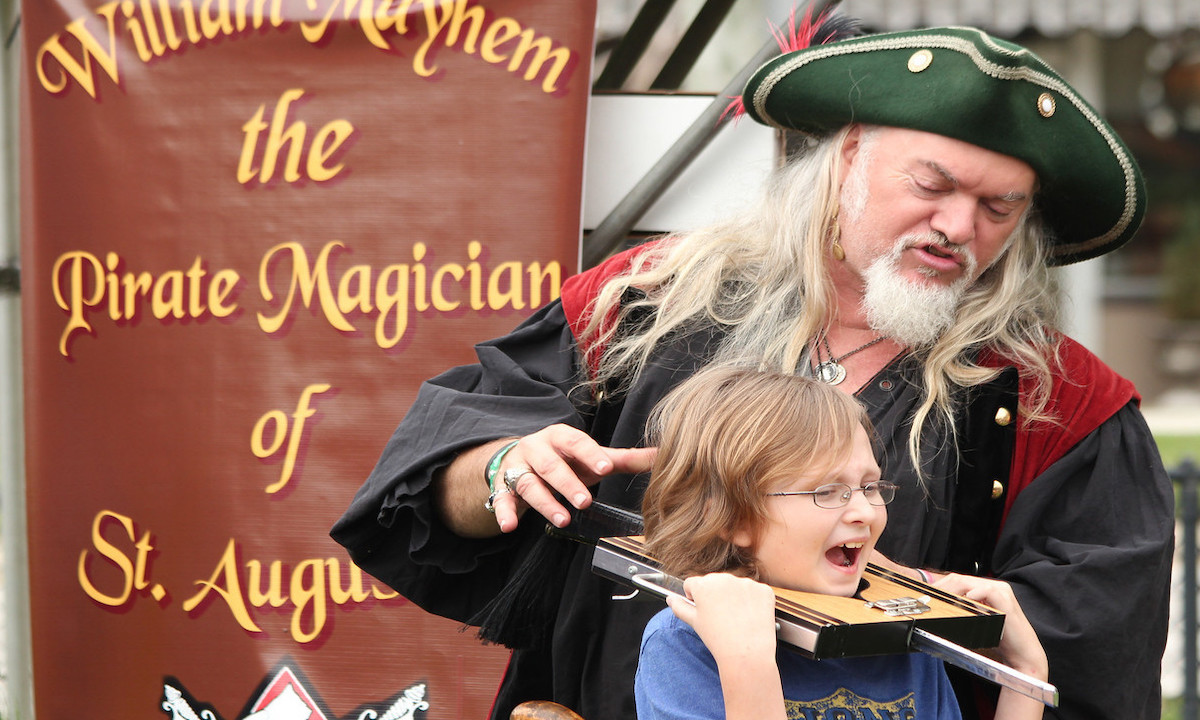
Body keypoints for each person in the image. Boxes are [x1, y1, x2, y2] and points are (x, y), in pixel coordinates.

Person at [331, 18, 1174, 720]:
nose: (958, 225)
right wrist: (507, 467)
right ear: (846, 158)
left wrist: (897, 594)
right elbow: (436, 482)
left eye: (998, 208)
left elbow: (1086, 654)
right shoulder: (643, 304)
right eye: (932, 183)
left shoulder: (1060, 404)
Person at [635, 365, 1047, 720]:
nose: (865, 513)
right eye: (827, 491)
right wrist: (747, 664)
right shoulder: (687, 642)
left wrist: (1024, 675)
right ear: (730, 517)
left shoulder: (899, 637)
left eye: (870, 486)